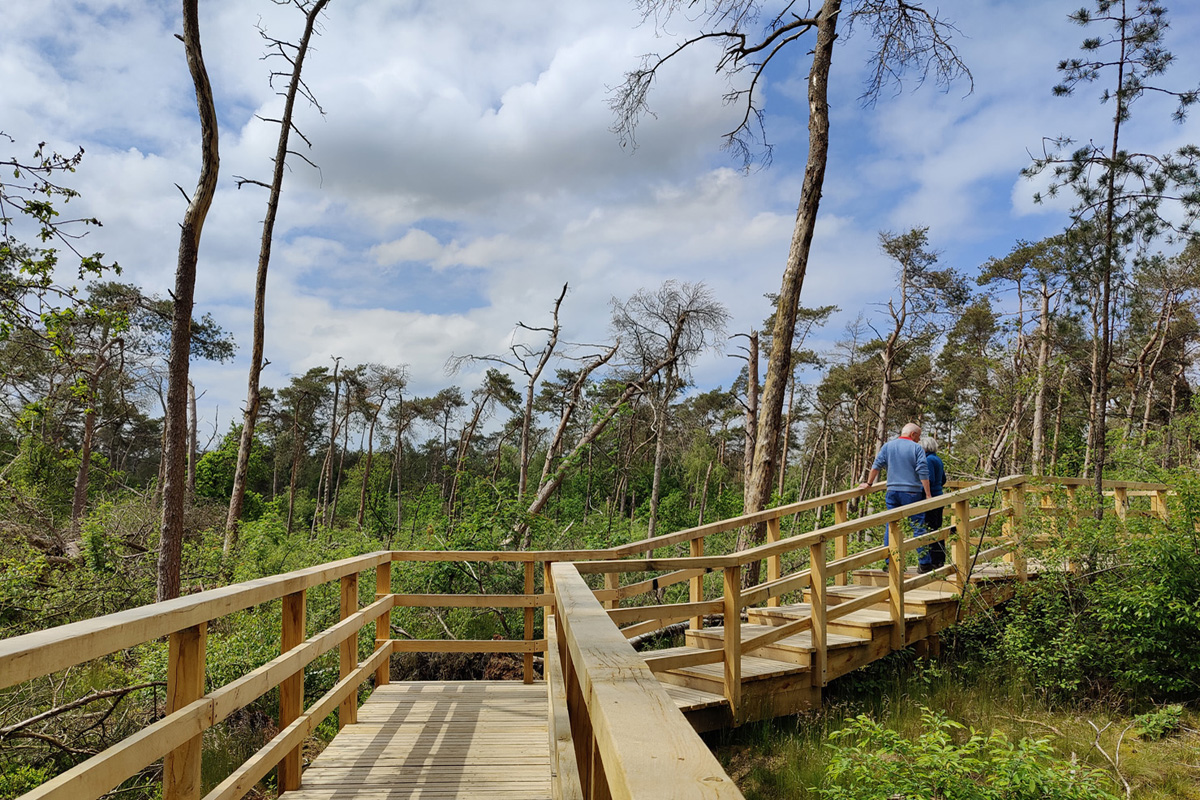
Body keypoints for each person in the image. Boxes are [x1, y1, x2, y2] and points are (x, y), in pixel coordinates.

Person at [860, 422, 933, 572]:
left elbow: (876, 465)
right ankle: (924, 563)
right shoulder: (916, 448)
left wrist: (868, 483)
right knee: (918, 526)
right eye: (918, 436)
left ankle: (891, 563)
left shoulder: (888, 446)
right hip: (912, 492)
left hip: (892, 491)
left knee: (892, 526)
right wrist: (928, 494)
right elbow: (923, 471)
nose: (919, 440)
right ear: (912, 434)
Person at [921, 435, 947, 571]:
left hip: (931, 499)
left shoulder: (928, 460)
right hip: (939, 496)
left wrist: (924, 492)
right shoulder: (937, 459)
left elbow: (928, 479)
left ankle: (933, 560)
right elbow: (943, 479)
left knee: (929, 528)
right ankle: (939, 560)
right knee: (937, 527)